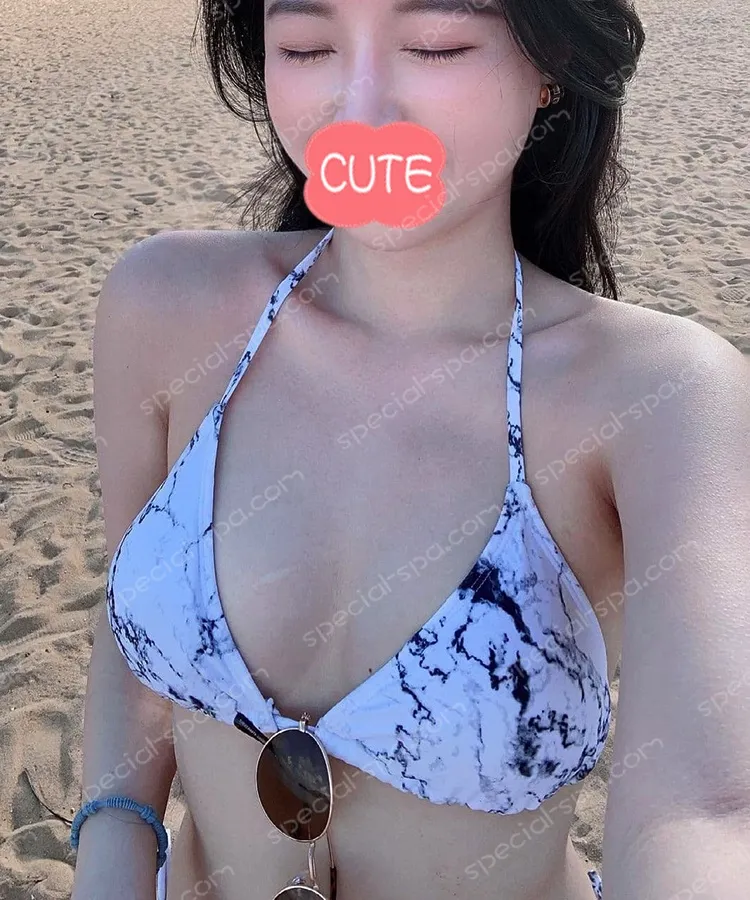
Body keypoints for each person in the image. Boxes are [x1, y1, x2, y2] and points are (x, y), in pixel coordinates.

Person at [70, 2, 750, 900]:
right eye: (308, 45)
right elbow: (130, 638)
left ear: (551, 66)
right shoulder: (165, 306)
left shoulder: (659, 396)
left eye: (435, 43)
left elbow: (705, 811)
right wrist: (112, 851)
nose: (360, 108)